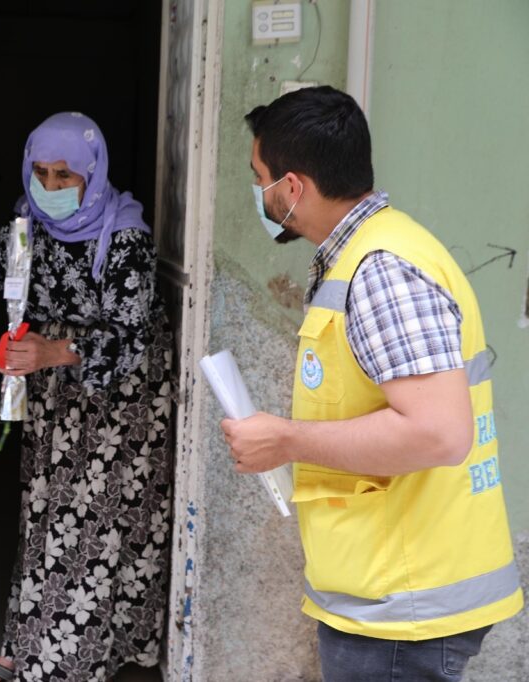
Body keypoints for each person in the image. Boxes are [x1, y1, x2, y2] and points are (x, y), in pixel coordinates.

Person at [221, 86, 523, 681]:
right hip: (391, 594)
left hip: (405, 608)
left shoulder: (381, 269)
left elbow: (438, 434)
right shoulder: (368, 252)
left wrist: (284, 440)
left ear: (293, 187)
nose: (258, 192)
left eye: (261, 178)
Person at [0, 112, 174, 682]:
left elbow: (131, 338)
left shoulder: (125, 238)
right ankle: (21, 651)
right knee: (46, 520)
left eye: (65, 175)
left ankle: (62, 664)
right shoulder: (28, 227)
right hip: (59, 406)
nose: (50, 186)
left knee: (94, 529)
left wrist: (53, 352)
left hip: (121, 410)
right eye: (40, 173)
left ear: (93, 173)